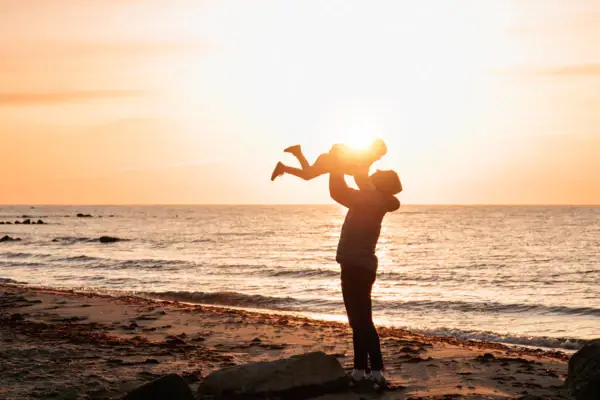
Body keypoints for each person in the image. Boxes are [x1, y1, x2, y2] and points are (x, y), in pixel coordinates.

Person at [329, 166, 401, 392]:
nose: (372, 174)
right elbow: (348, 184)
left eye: (376, 175)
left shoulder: (370, 199)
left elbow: (342, 188)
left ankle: (376, 373)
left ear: (380, 184)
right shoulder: (370, 198)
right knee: (357, 322)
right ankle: (360, 372)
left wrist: (337, 166)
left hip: (357, 266)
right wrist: (341, 166)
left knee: (363, 322)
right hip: (356, 265)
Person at [270, 138, 388, 182]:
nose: (380, 158)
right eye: (380, 155)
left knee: (307, 174)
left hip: (329, 162)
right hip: (329, 161)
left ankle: (296, 153)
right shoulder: (365, 156)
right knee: (307, 175)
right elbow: (338, 147)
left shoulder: (366, 158)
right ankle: (291, 159)